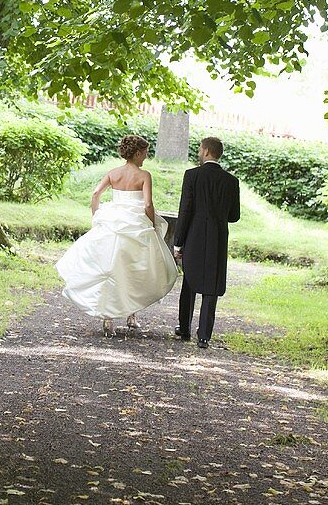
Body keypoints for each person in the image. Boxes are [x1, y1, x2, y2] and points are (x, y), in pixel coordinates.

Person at [56, 134, 179, 337]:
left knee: (112, 268)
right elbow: (147, 204)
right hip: (135, 224)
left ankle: (108, 318)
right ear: (138, 153)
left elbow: (96, 194)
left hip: (112, 222)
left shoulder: (113, 173)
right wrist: (152, 223)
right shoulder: (144, 175)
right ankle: (131, 315)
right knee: (135, 268)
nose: (146, 158)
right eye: (145, 154)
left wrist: (97, 217)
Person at [172, 136, 240, 348]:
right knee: (212, 282)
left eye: (201, 149)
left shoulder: (192, 175)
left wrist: (178, 242)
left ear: (208, 152)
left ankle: (184, 329)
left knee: (190, 281)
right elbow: (234, 216)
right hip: (218, 236)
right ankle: (204, 336)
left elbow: (185, 210)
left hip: (194, 234)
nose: (199, 152)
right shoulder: (231, 181)